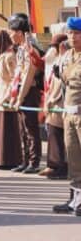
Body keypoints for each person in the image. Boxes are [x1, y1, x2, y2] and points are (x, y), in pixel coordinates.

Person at [8, 14, 43, 174]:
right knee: (22, 129)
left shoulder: (30, 49)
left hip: (29, 91)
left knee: (30, 128)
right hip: (21, 91)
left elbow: (28, 75)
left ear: (20, 33)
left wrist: (20, 97)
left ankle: (34, 161)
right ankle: (24, 159)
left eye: (12, 32)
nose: (10, 35)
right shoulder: (20, 48)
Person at [54, 17, 81, 216]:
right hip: (69, 114)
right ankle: (75, 199)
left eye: (77, 33)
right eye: (71, 33)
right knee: (73, 158)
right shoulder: (68, 56)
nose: (73, 37)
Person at [0, 29, 22, 170]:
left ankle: (9, 160)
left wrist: (7, 96)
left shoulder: (10, 56)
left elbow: (14, 79)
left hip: (6, 99)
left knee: (8, 132)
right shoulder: (0, 56)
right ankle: (1, 159)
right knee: (1, 132)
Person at [43, 34, 69, 180]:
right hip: (53, 102)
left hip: (59, 103)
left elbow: (59, 84)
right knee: (54, 135)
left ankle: (60, 166)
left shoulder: (65, 61)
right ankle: (54, 165)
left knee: (58, 136)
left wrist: (50, 100)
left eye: (54, 46)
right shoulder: (56, 60)